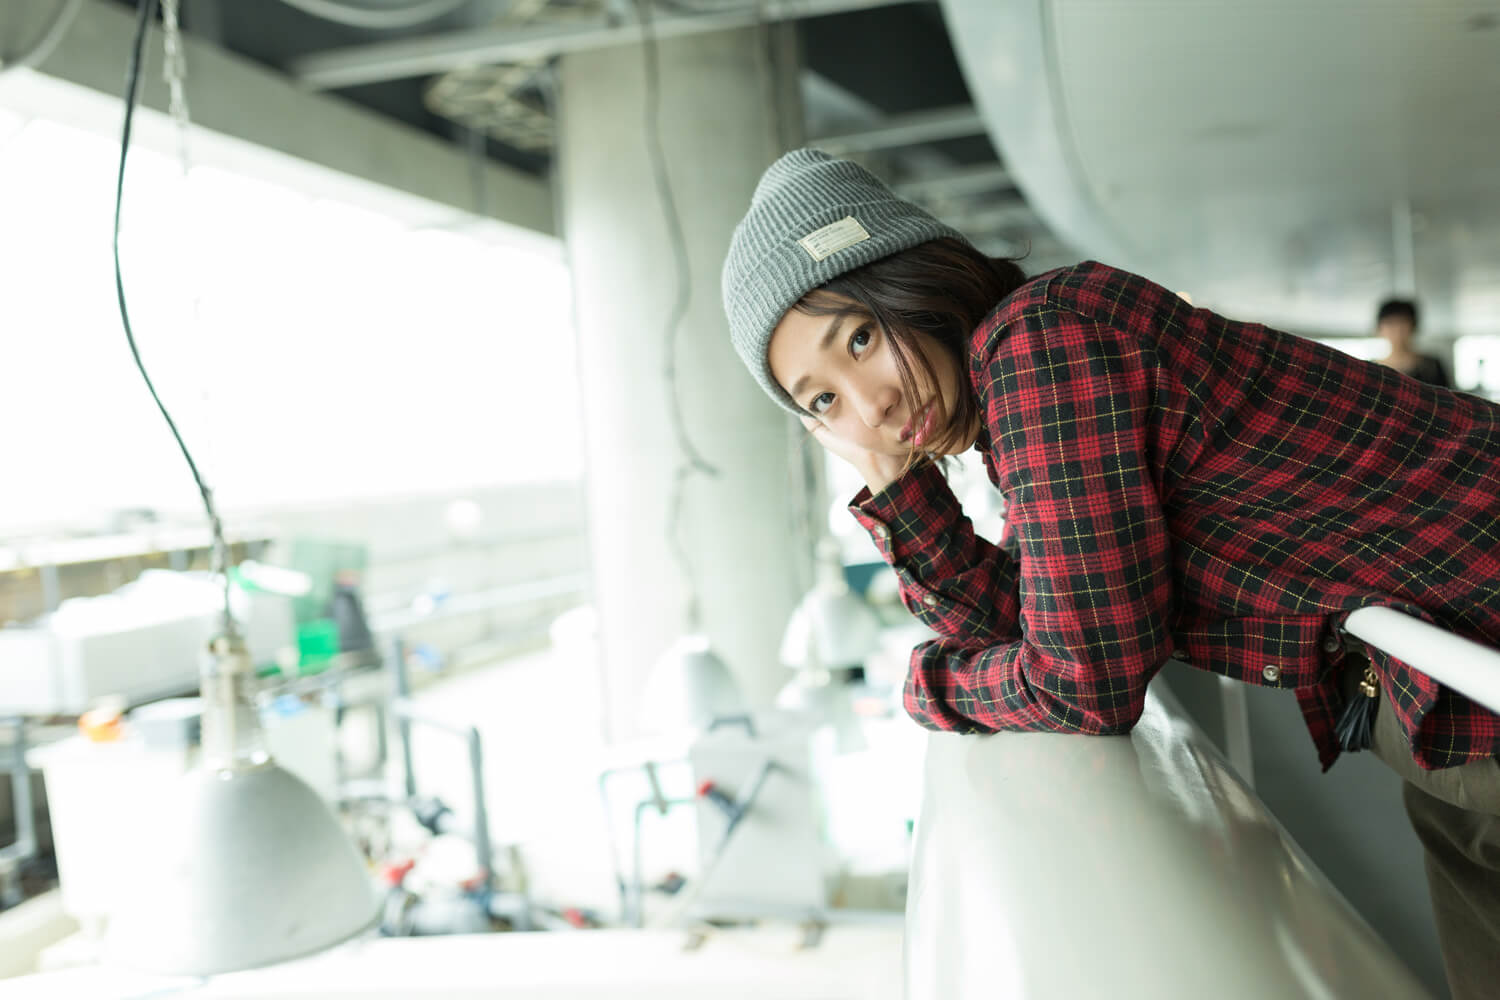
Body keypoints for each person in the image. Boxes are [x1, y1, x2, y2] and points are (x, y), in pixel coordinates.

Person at [720, 149, 1500, 998]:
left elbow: (1084, 682)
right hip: (1450, 705)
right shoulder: (1019, 375)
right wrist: (896, 486)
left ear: (913, 275)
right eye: (822, 400)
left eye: (861, 339)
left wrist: (932, 687)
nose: (869, 405)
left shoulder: (1044, 347)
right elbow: (1023, 619)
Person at [1375, 297, 1452, 388]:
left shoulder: (1432, 366)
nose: (1397, 329)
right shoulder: (1374, 370)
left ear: (1413, 326)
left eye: (1402, 322)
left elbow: (1447, 399)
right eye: (1390, 323)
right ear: (1379, 328)